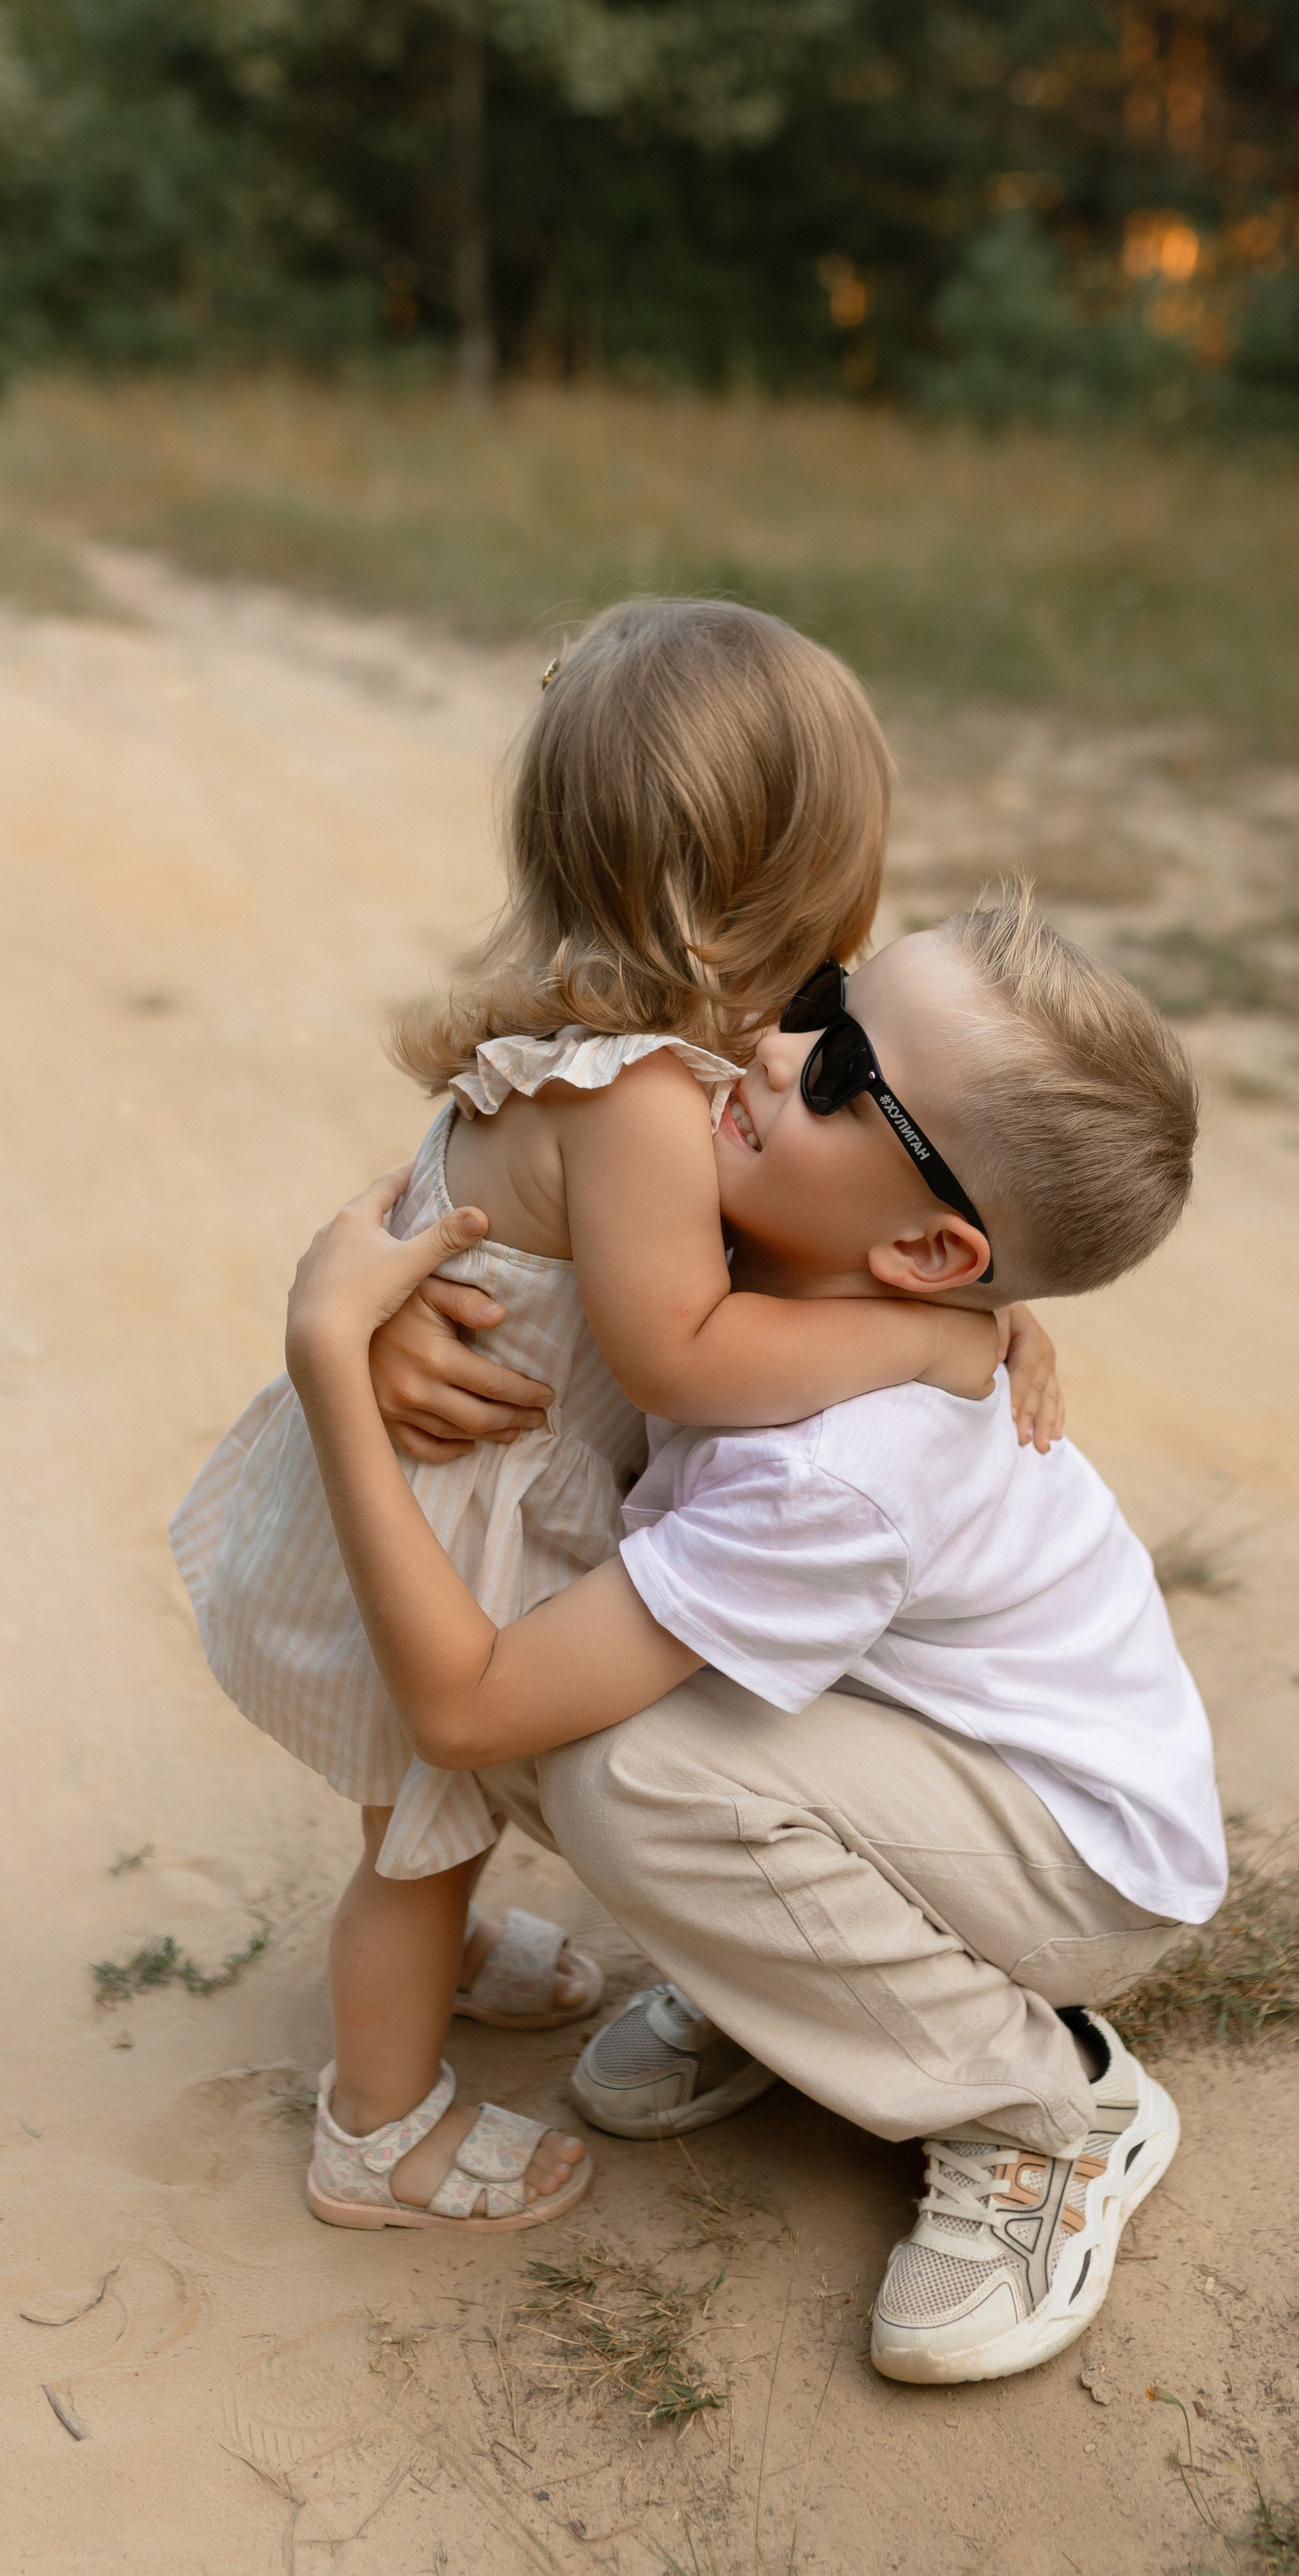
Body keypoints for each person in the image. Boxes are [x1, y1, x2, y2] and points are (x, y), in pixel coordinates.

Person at [172, 600, 1058, 2237]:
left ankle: (442, 1959)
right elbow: (680, 1353)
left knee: (428, 1818)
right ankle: (380, 2133)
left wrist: (989, 1294)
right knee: (419, 1842)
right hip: (460, 1489)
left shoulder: (588, 1031)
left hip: (467, 1459)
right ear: (786, 869)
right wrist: (938, 1336)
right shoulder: (645, 1091)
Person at [282, 885, 1226, 2384]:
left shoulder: (837, 1470)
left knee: (617, 1762)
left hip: (1075, 1862)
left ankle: (1046, 2110)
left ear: (925, 1254)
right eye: (827, 997)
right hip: (920, 1758)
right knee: (582, 1674)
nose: (779, 1050)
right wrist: (413, 1301)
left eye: (848, 1073)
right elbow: (524, 1178)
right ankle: (799, 1988)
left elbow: (466, 1712)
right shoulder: (769, 1231)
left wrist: (334, 1363)